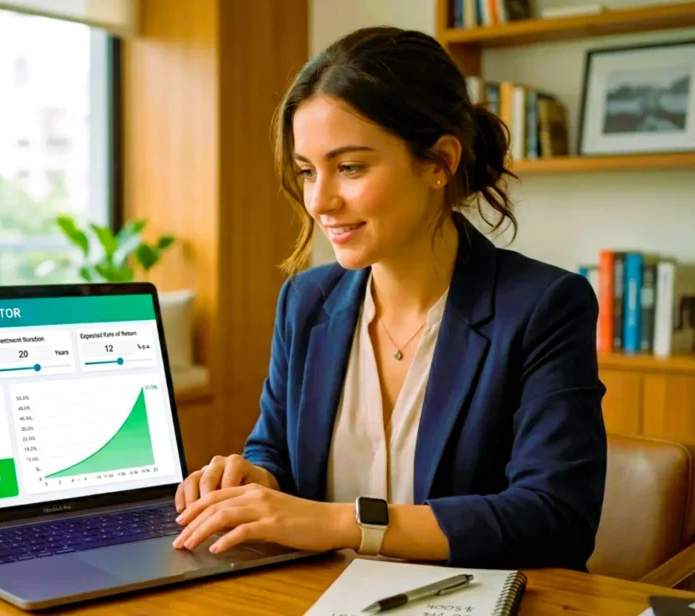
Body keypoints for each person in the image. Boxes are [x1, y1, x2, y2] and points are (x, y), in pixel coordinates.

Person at [171, 26, 607, 571]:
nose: (320, 201)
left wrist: (342, 523)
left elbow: (555, 519)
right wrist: (252, 480)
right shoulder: (305, 301)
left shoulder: (545, 306)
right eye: (307, 171)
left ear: (440, 162)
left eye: (349, 167)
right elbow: (275, 450)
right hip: (321, 596)